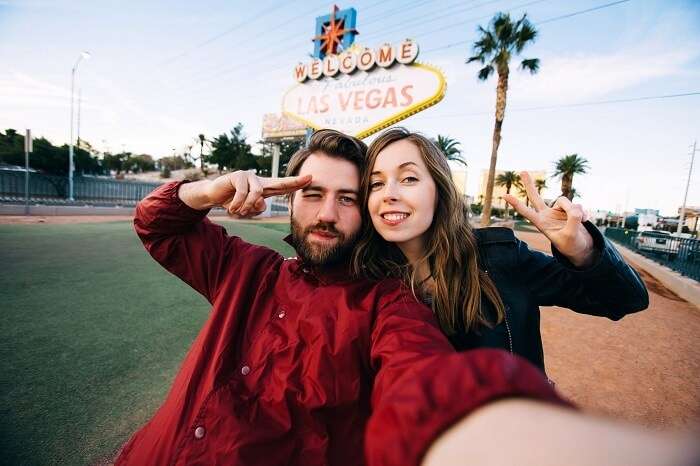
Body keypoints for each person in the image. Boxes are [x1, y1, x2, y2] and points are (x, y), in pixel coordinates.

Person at [115, 129, 564, 466]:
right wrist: (208, 191)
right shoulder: (245, 268)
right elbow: (157, 225)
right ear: (287, 200)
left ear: (366, 212)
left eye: (347, 199)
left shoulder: (388, 306)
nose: (327, 214)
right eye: (311, 194)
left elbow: (420, 377)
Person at [353, 128, 649, 374]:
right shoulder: (363, 278)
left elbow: (626, 299)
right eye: (376, 183)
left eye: (409, 178)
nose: (389, 193)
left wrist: (583, 251)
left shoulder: (500, 258)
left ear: (439, 191)